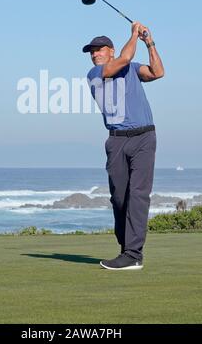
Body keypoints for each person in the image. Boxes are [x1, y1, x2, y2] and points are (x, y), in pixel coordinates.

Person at [83, 22, 164, 270]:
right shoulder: (96, 74)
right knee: (119, 199)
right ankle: (126, 249)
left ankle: (133, 254)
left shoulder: (131, 68)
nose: (94, 54)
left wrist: (149, 42)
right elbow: (125, 57)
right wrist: (134, 34)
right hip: (116, 141)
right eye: (92, 51)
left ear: (111, 50)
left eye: (99, 49)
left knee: (138, 196)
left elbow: (157, 72)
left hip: (144, 138)